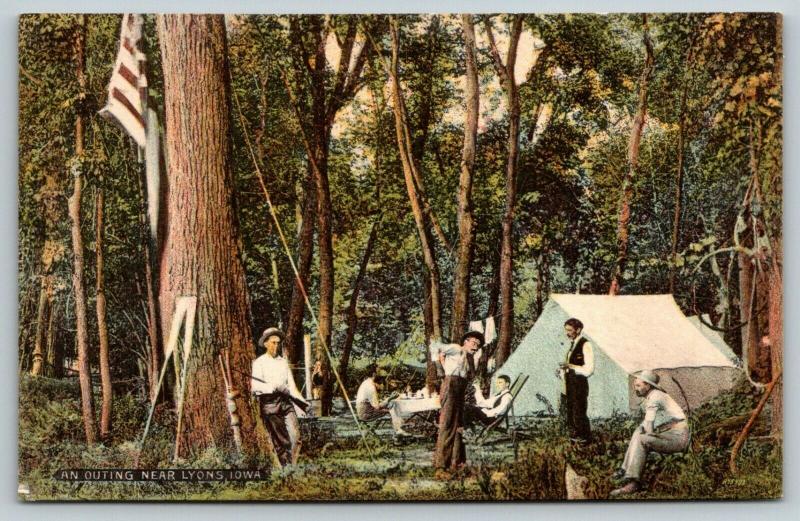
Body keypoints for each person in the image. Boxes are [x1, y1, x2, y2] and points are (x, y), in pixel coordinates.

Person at [610, 370, 690, 497]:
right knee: (638, 432)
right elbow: (646, 424)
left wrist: (645, 434)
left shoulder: (655, 397)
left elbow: (649, 428)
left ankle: (633, 482)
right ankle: (624, 469)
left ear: (648, 385)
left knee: (642, 438)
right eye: (635, 385)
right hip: (670, 432)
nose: (635, 389)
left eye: (638, 386)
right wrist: (640, 431)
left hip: (679, 437)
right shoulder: (654, 396)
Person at [251, 327, 307, 467]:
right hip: (270, 404)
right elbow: (255, 386)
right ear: (265, 344)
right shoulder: (259, 363)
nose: (276, 346)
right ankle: (285, 470)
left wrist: (302, 403)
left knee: (296, 438)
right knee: (281, 441)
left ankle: (293, 467)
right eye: (273, 342)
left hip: (286, 403)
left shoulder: (283, 362)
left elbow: (292, 386)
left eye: (278, 343)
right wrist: (272, 387)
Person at [430, 331, 483, 477]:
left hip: (461, 388)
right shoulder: (455, 348)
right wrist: (439, 367)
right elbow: (435, 346)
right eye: (473, 343)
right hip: (450, 385)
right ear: (466, 341)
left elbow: (471, 376)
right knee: (447, 425)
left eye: (478, 345)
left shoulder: (472, 358)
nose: (475, 347)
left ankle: (458, 464)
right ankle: (440, 467)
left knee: (459, 426)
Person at [558, 317, 594, 442]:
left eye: (569, 330)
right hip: (570, 383)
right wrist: (563, 371)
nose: (567, 333)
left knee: (579, 410)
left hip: (579, 384)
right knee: (571, 410)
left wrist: (571, 366)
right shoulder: (573, 344)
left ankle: (585, 439)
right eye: (566, 330)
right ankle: (576, 438)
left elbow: (589, 369)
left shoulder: (585, 344)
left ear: (578, 330)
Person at [355, 364, 410, 436]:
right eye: (379, 371)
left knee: (391, 405)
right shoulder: (370, 386)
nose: (380, 373)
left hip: (363, 411)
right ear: (374, 373)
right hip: (366, 413)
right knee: (392, 408)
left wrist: (389, 399)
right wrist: (390, 398)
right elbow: (377, 406)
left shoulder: (366, 383)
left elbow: (373, 403)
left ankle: (399, 430)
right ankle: (398, 431)